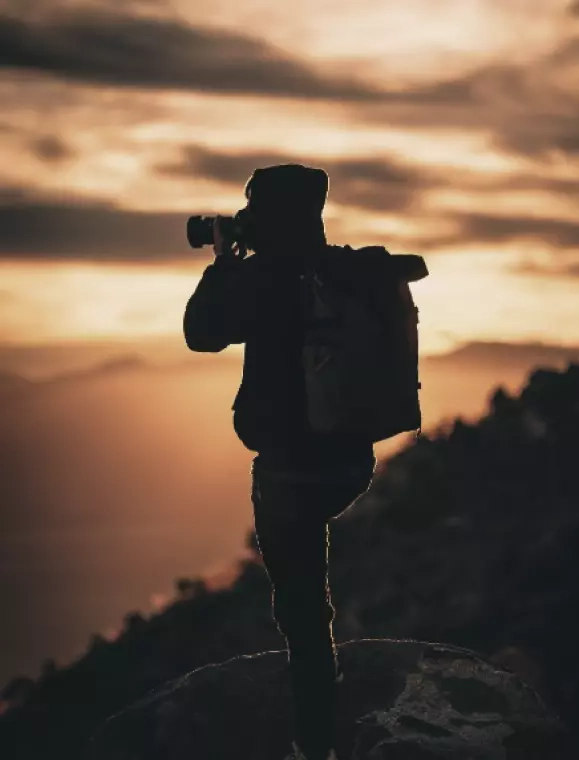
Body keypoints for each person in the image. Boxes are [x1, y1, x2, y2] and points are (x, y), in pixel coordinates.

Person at [183, 164, 405, 760]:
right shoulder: (344, 270)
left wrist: (224, 261)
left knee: (304, 614)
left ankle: (315, 744)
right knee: (311, 570)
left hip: (289, 469)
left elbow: (200, 332)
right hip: (352, 459)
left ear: (264, 215)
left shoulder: (261, 279)